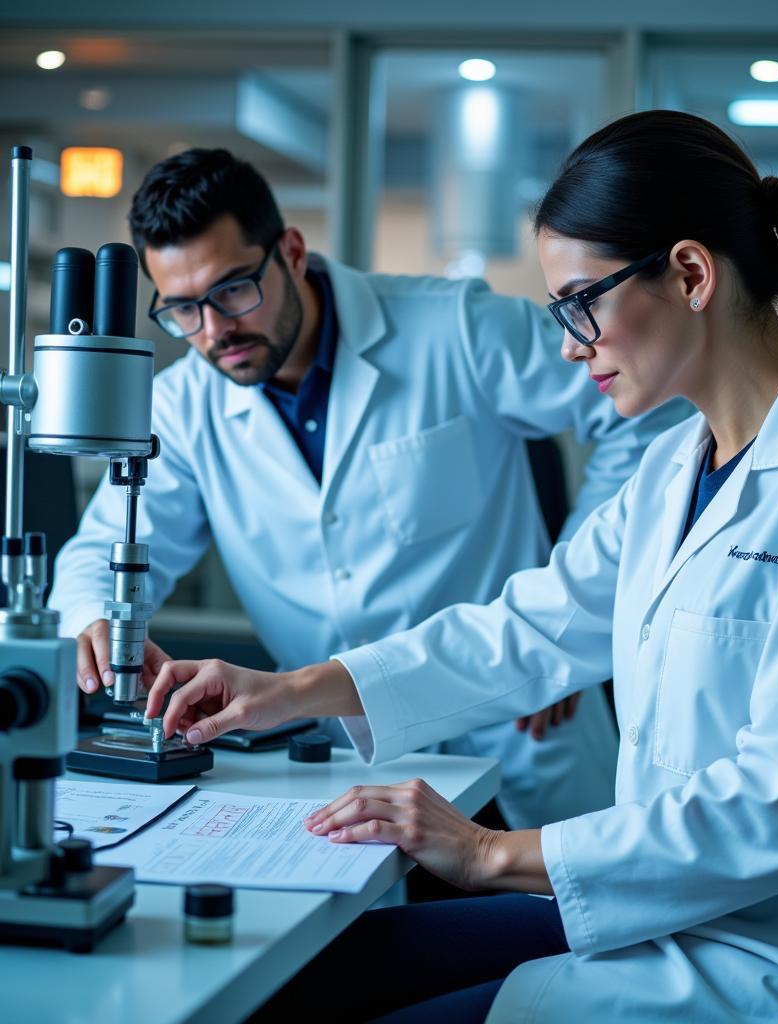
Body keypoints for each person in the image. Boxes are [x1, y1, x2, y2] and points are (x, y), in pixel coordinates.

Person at [148, 111, 778, 1022]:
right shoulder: (677, 468)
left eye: (579, 302)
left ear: (691, 274)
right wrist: (287, 690)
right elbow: (527, 628)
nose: (566, 343)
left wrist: (485, 855)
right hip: (674, 914)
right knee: (317, 975)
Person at [51, 148, 687, 831]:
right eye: (181, 310)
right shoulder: (182, 407)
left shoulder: (456, 327)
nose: (213, 332)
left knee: (563, 918)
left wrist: (564, 603)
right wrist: (96, 620)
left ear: (291, 252)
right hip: (338, 746)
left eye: (233, 290)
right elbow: (98, 554)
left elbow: (655, 415)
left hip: (523, 715)